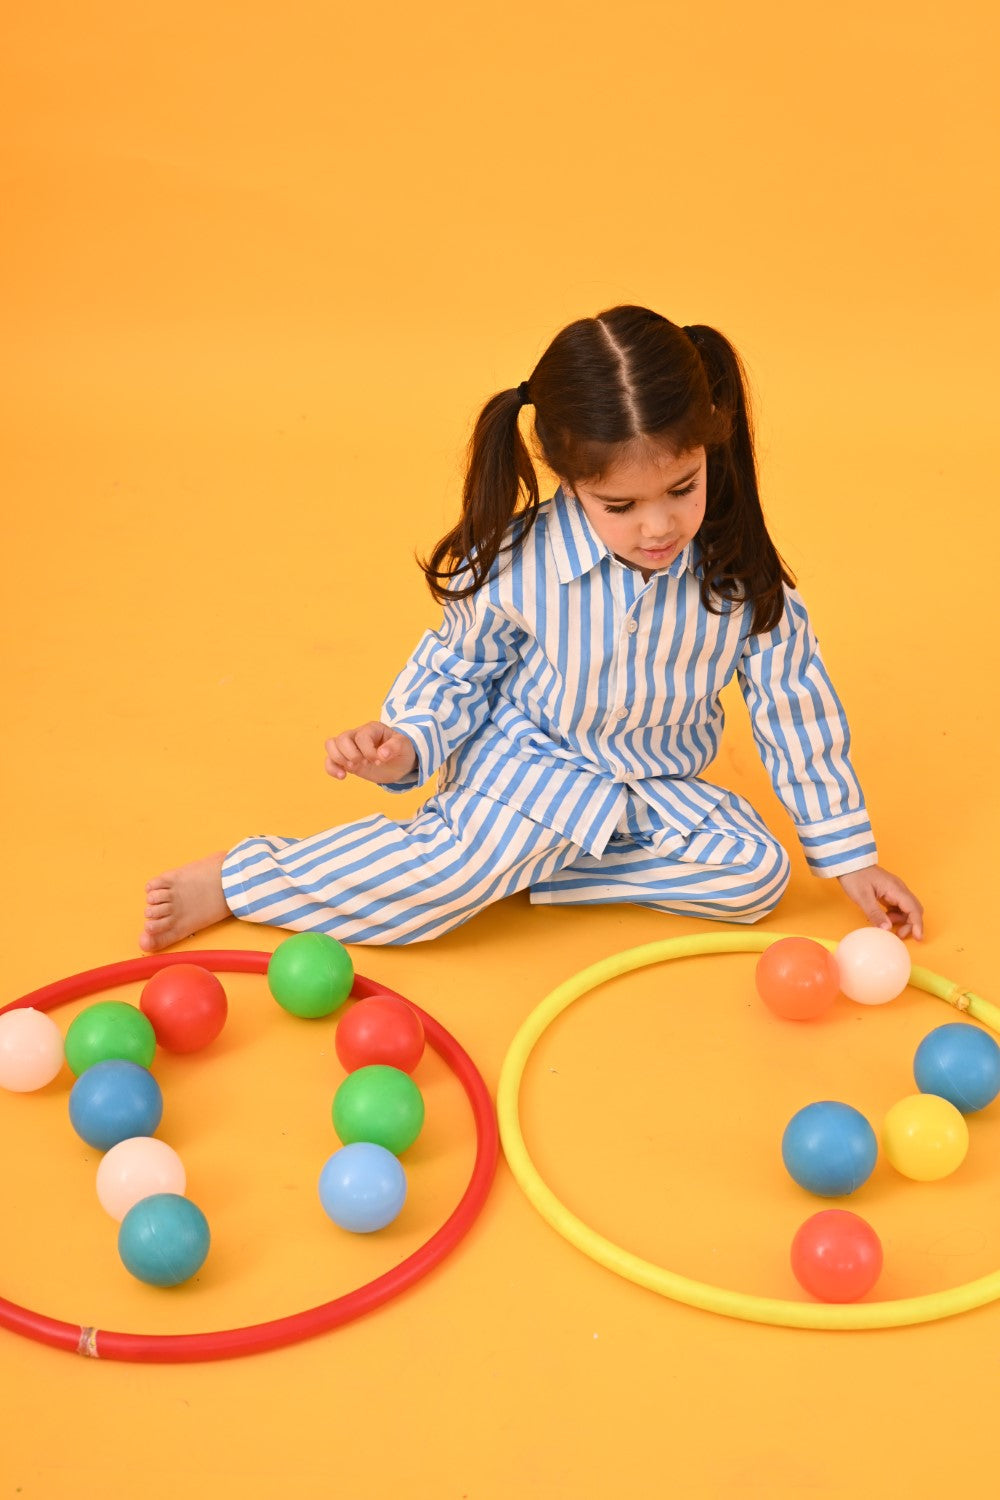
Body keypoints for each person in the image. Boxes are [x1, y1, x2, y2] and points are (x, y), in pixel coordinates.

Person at [139, 305, 923, 953]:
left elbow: (796, 712)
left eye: (681, 488)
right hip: (530, 764)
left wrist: (852, 860)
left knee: (757, 875)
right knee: (430, 896)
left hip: (654, 787)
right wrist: (409, 741)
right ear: (569, 476)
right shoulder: (523, 563)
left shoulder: (739, 575)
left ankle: (527, 870)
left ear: (711, 448)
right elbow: (456, 668)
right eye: (620, 506)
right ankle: (244, 877)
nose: (659, 526)